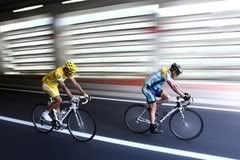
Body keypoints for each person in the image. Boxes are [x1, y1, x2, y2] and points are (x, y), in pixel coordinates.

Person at [142, 63, 191, 134]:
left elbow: (176, 84)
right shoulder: (166, 72)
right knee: (154, 107)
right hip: (148, 88)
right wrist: (183, 96)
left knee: (167, 98)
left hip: (154, 87)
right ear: (173, 71)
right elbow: (173, 86)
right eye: (177, 73)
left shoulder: (169, 74)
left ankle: (150, 106)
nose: (177, 75)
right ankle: (152, 127)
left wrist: (184, 93)